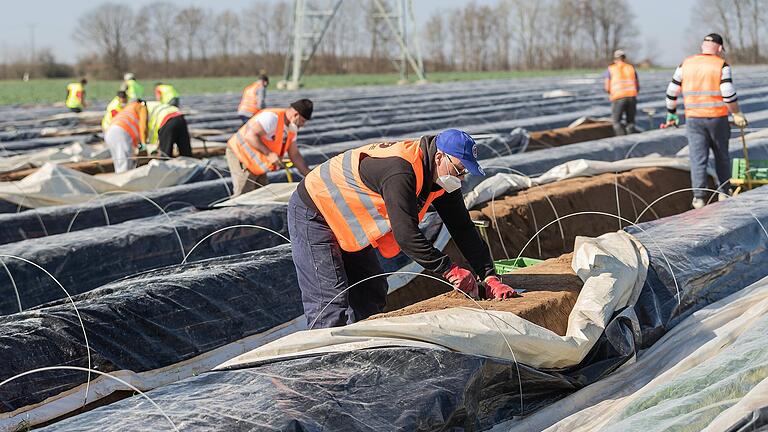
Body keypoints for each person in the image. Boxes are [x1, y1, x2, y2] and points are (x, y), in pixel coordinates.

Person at [288, 129, 518, 329]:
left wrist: (488, 275)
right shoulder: (402, 171)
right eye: (459, 169)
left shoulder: (440, 176)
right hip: (314, 211)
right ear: (439, 157)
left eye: (465, 172)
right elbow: (406, 235)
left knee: (372, 289)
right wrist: (449, 270)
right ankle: (325, 372)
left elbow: (463, 228)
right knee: (330, 304)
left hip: (345, 217)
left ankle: (360, 351)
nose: (461, 177)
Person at [664, 33, 748, 209]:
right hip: (717, 119)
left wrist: (671, 113)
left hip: (694, 119)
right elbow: (728, 92)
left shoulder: (685, 64)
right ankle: (724, 192)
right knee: (721, 156)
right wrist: (737, 113)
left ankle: (699, 198)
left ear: (703, 47)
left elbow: (672, 91)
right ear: (719, 48)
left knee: (698, 159)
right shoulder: (721, 65)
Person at [225, 99, 313, 196]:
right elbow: (250, 136)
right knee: (243, 195)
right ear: (296, 114)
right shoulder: (272, 118)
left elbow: (295, 155)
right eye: (302, 121)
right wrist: (270, 154)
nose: (302, 125)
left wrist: (310, 176)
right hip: (241, 155)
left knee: (263, 195)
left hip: (257, 162)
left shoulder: (291, 129)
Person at [105, 100, 147, 173]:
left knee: (118, 163)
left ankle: (119, 181)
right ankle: (124, 183)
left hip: (109, 132)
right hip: (121, 132)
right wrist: (143, 146)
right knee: (125, 164)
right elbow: (143, 127)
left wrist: (139, 146)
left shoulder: (127, 108)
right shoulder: (141, 107)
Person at [604, 50, 639, 135]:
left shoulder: (611, 69)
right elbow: (637, 85)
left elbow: (606, 87)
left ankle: (622, 140)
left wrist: (610, 93)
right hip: (631, 97)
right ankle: (631, 138)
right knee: (630, 122)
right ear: (624, 58)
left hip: (618, 97)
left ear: (615, 59)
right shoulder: (631, 68)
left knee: (616, 122)